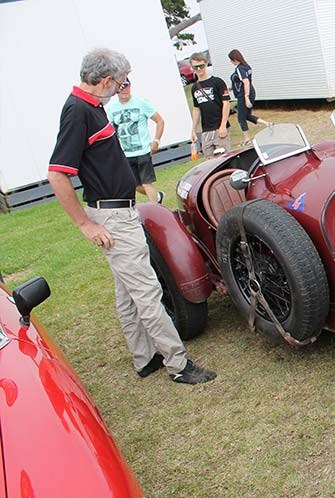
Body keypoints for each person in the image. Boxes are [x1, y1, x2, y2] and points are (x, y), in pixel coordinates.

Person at [46, 48, 216, 385]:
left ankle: (144, 357)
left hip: (120, 210)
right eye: (122, 81)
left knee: (127, 291)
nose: (123, 87)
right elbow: (57, 173)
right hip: (112, 218)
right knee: (147, 291)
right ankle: (178, 364)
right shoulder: (78, 110)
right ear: (107, 80)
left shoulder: (92, 107)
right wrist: (85, 224)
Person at [105, 77, 165, 204]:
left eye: (126, 86)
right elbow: (111, 131)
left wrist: (156, 141)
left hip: (142, 151)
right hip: (126, 153)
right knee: (134, 185)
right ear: (115, 90)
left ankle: (157, 210)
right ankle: (158, 197)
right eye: (121, 88)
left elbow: (159, 120)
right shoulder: (111, 108)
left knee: (147, 183)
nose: (124, 90)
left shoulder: (141, 102)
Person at [189, 52, 231, 157]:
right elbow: (196, 109)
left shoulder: (217, 82)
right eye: (195, 67)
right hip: (206, 130)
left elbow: (226, 103)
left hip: (219, 126)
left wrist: (223, 125)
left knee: (223, 159)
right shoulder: (194, 87)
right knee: (210, 160)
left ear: (206, 64)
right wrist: (193, 130)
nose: (199, 69)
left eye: (201, 66)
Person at [228, 49, 272, 146]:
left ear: (235, 59)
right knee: (247, 115)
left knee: (241, 118)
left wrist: (246, 97)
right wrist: (231, 88)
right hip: (248, 92)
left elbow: (246, 82)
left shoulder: (240, 68)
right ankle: (267, 124)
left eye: (231, 60)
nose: (231, 62)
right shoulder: (246, 66)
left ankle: (247, 139)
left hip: (244, 95)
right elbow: (240, 82)